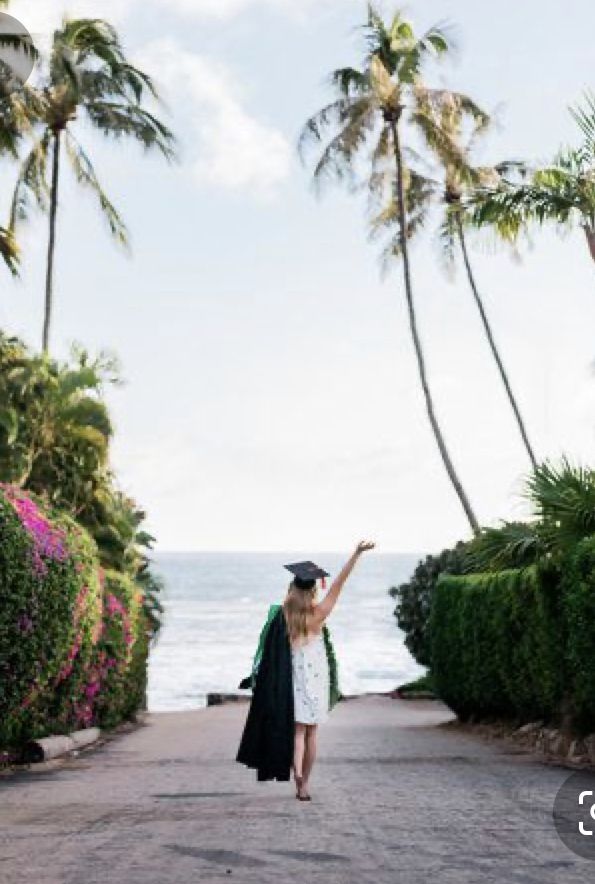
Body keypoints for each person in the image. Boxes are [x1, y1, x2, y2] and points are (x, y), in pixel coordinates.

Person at [236, 540, 375, 801]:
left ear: (292, 589)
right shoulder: (319, 614)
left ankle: (296, 770)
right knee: (312, 732)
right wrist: (356, 554)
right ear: (314, 590)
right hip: (316, 680)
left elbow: (269, 650)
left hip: (293, 681)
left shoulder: (283, 617)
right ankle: (304, 784)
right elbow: (339, 585)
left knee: (297, 731)